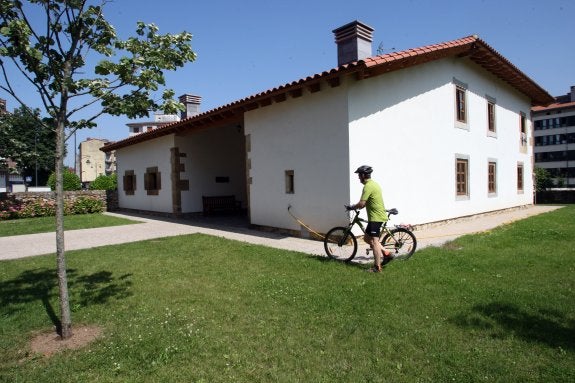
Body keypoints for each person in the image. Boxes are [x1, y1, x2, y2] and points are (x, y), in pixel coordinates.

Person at [346, 165, 393, 273]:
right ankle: (387, 254)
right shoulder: (374, 184)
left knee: (375, 242)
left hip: (376, 217)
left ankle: (377, 267)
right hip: (375, 216)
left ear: (363, 175)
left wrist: (352, 207)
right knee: (367, 239)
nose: (358, 177)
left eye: (359, 175)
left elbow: (362, 204)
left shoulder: (368, 186)